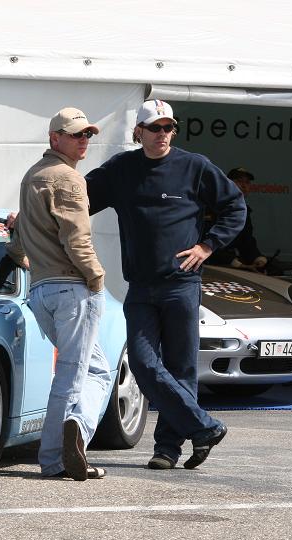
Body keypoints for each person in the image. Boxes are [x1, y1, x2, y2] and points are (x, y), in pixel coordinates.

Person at [86, 99, 246, 470]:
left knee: (181, 369)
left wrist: (208, 245)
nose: (163, 134)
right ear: (137, 132)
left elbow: (235, 207)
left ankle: (168, 449)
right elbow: (77, 200)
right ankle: (204, 427)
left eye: (169, 127)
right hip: (141, 286)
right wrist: (30, 209)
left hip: (182, 285)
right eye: (155, 127)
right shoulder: (121, 170)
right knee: (142, 363)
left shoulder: (194, 166)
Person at [6, 107, 111, 481]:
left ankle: (72, 439)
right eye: (75, 134)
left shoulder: (31, 175)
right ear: (55, 138)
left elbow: (17, 242)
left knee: (93, 368)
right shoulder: (68, 179)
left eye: (87, 135)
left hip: (41, 291)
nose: (83, 141)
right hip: (72, 288)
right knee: (74, 374)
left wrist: (26, 261)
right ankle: (58, 453)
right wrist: (96, 278)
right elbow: (76, 238)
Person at [207, 167, 267, 271]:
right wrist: (236, 264)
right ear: (227, 184)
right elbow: (208, 243)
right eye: (239, 181)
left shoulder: (245, 211)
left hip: (233, 264)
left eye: (247, 182)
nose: (244, 186)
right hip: (210, 265)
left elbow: (247, 241)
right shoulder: (212, 207)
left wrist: (258, 258)